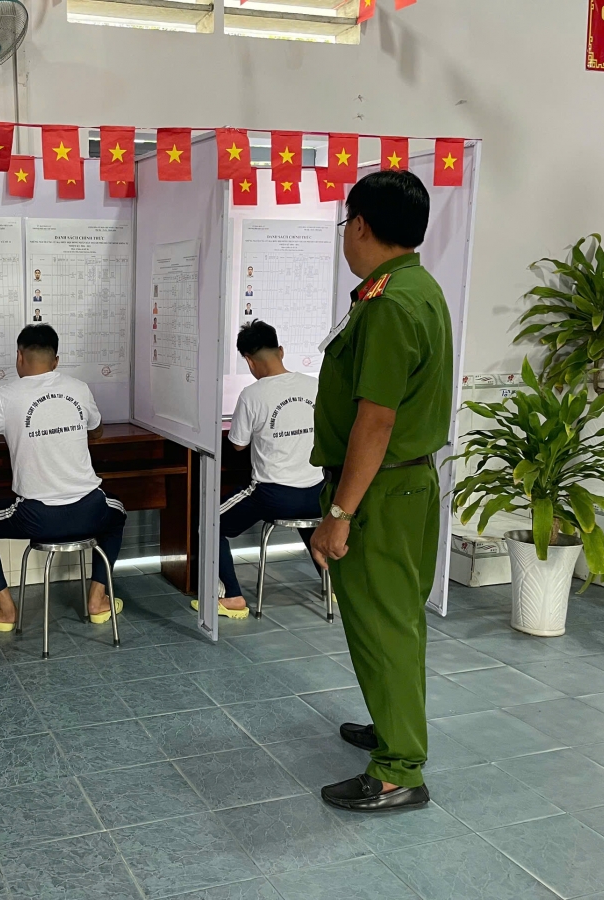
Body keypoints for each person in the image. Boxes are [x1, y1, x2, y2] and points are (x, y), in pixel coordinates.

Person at [310, 170, 451, 813]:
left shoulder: (390, 304)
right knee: (395, 619)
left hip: (380, 492)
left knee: (385, 623)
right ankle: (393, 724)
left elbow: (376, 419)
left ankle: (398, 769)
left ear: (361, 225)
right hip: (405, 485)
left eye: (347, 223)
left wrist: (341, 511)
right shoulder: (415, 287)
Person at [0, 324, 126, 631]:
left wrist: (5, 432)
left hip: (38, 519)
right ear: (56, 361)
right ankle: (98, 601)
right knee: (118, 514)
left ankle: (5, 610)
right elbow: (96, 431)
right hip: (91, 511)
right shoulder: (79, 388)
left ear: (19, 356)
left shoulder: (5, 397)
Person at [214, 320, 322, 618]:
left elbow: (238, 445)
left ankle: (232, 597)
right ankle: (336, 586)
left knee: (209, 523)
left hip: (274, 496)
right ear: (281, 351)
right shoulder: (314, 386)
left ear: (248, 360)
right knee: (309, 521)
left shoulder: (252, 395)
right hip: (317, 495)